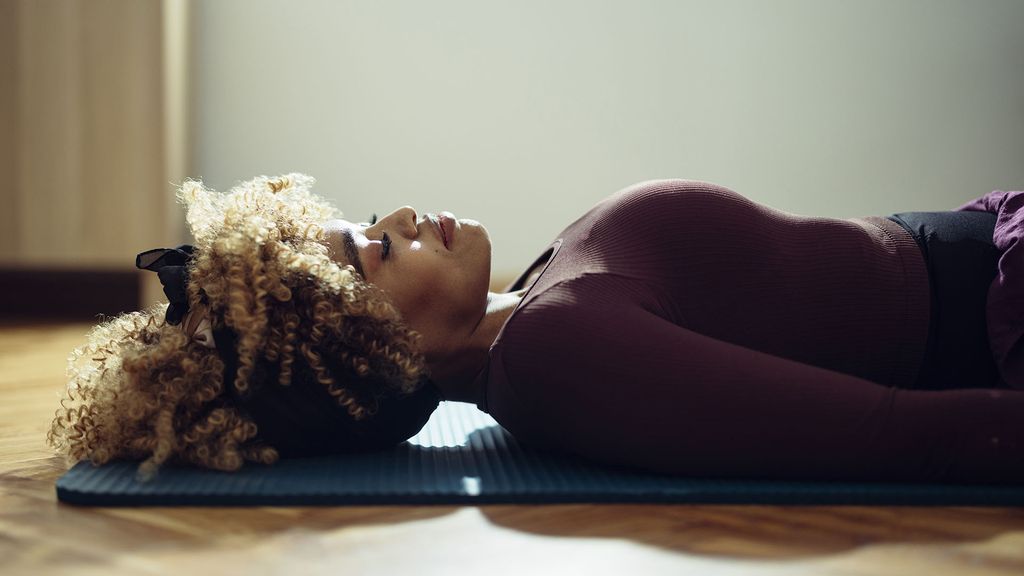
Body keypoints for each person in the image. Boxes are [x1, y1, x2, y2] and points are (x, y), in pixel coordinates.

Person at [48, 173, 1024, 483]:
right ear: (373, 354)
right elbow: (889, 434)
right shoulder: (558, 356)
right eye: (374, 253)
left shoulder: (534, 305)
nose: (396, 220)